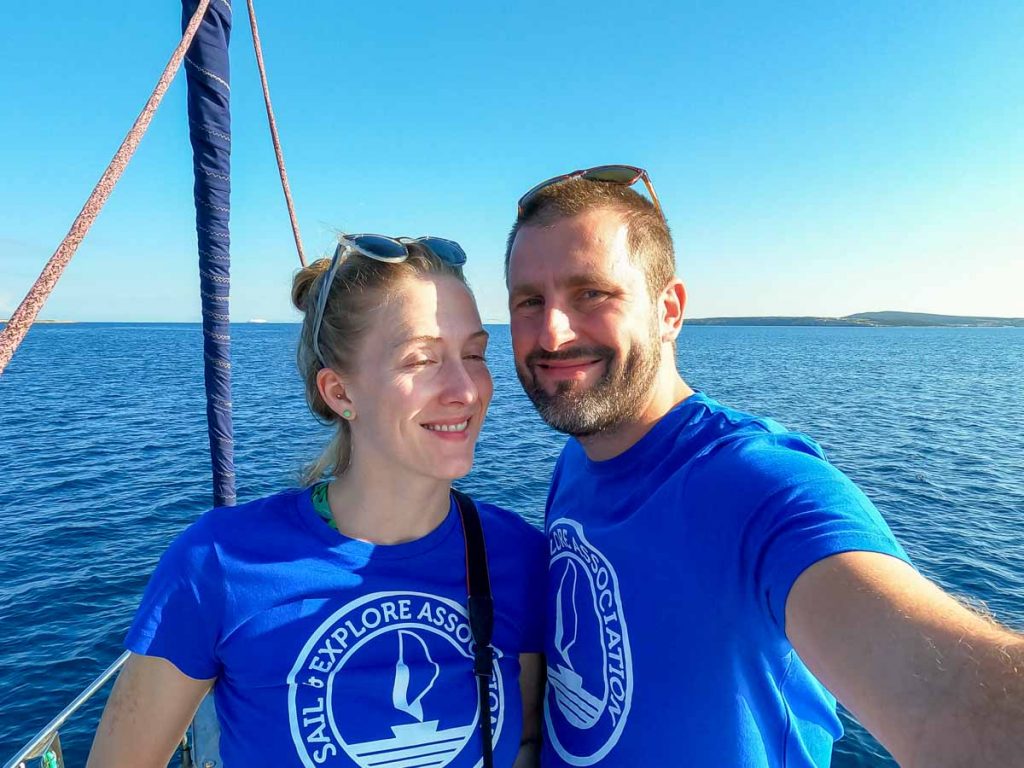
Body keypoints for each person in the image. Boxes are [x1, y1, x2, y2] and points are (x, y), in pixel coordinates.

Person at [503, 166, 1024, 767]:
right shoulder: (578, 460)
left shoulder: (758, 486)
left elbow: (946, 694)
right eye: (529, 301)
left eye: (591, 293)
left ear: (669, 310)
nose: (552, 332)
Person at [88, 235, 546, 768]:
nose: (466, 390)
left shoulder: (517, 556)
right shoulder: (218, 564)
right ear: (340, 393)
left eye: (474, 354)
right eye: (422, 360)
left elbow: (527, 742)